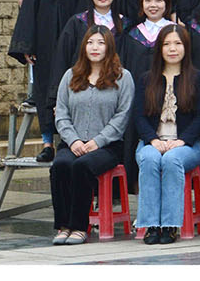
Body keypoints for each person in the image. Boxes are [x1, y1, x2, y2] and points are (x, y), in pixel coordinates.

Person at [48, 26, 135, 245]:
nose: (94, 47)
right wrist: (73, 140)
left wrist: (98, 141)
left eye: (100, 43)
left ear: (109, 47)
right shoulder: (70, 75)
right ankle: (63, 226)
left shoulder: (123, 77)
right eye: (90, 42)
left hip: (107, 146)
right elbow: (61, 114)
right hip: (73, 143)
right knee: (60, 165)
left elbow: (122, 116)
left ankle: (79, 227)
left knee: (82, 166)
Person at [132, 23, 200, 245]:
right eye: (167, 44)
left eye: (178, 43)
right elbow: (138, 116)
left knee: (172, 160)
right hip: (152, 142)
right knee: (148, 158)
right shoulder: (147, 79)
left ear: (186, 47)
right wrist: (152, 140)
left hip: (186, 145)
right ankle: (151, 225)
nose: (172, 49)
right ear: (159, 48)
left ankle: (170, 225)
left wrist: (183, 140)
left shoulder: (197, 78)